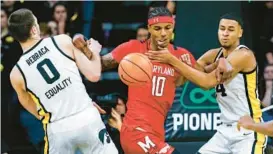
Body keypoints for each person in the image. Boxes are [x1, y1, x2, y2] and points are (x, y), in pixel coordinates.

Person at [75, 7, 197, 154]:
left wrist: (219, 59)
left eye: (167, 28)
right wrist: (86, 51)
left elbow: (204, 78)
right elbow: (100, 64)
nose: (163, 33)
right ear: (149, 28)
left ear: (173, 27)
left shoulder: (181, 55)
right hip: (135, 131)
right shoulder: (133, 48)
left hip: (157, 134)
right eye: (157, 28)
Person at [146, 13, 268, 154]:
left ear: (240, 32)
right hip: (224, 131)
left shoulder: (244, 55)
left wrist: (172, 60)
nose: (225, 33)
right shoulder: (212, 55)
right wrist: (175, 60)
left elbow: (207, 83)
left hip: (248, 130)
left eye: (231, 29)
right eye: (222, 29)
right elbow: (181, 80)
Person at [8, 9, 118, 154]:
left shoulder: (16, 74)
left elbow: (34, 108)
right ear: (34, 29)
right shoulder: (61, 41)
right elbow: (94, 75)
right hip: (86, 117)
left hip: (57, 130)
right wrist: (95, 52)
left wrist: (58, 115)